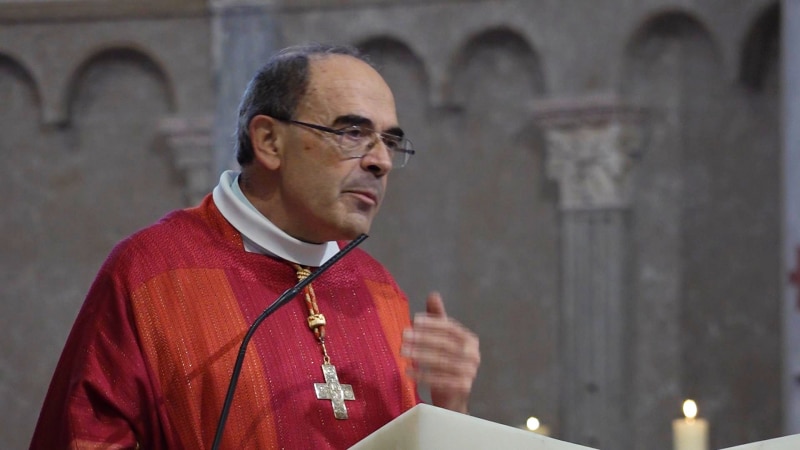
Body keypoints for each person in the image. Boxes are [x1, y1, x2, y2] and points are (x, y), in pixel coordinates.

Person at [31, 43, 480, 449]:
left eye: (390, 140)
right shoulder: (154, 275)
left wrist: (448, 412)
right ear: (268, 141)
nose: (380, 160)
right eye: (352, 133)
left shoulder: (379, 291)